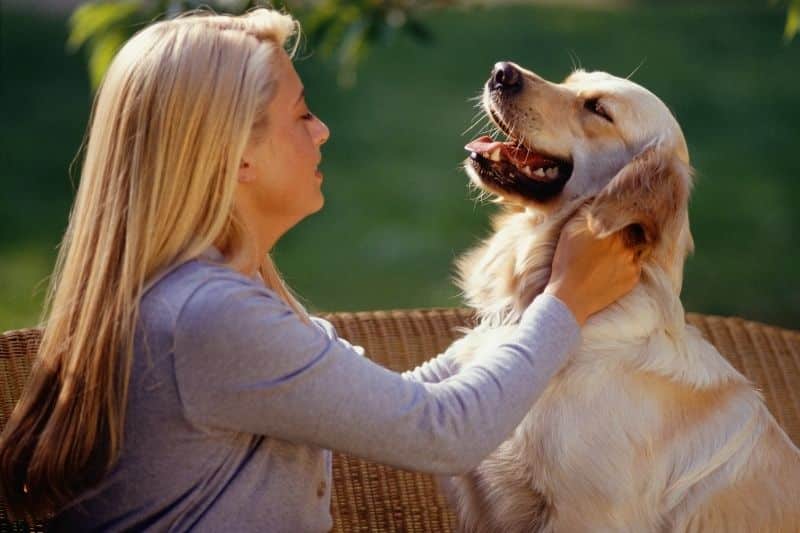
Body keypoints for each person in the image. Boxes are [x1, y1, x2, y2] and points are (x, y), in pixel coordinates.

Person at [0, 8, 640, 531]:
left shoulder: (215, 290)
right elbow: (441, 430)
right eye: (302, 115)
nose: (325, 131)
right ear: (237, 157)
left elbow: (395, 403)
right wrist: (565, 302)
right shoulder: (208, 316)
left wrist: (528, 319)